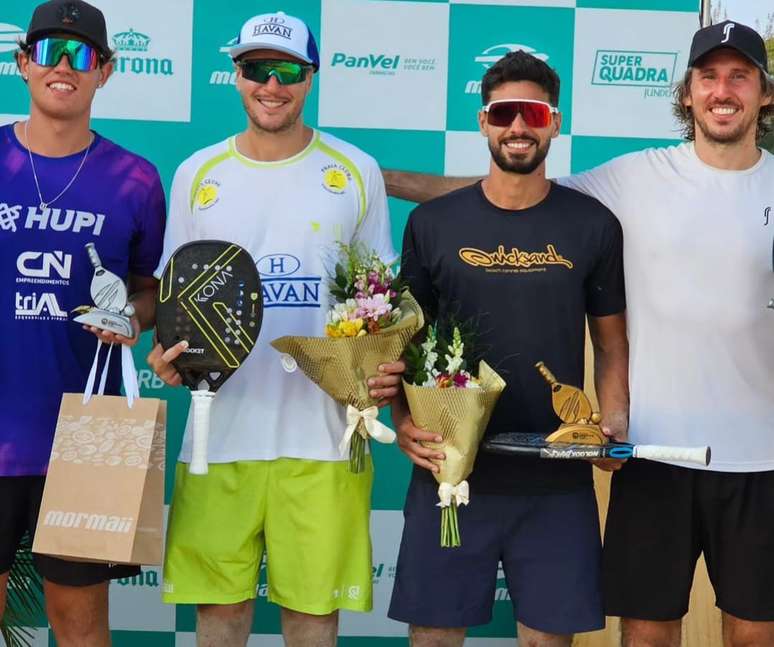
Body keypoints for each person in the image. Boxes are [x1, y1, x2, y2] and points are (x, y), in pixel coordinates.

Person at [385, 20, 774, 647]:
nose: (722, 90)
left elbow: (609, 338)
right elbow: (502, 197)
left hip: (739, 460)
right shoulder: (630, 179)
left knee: (752, 633)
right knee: (642, 632)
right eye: (709, 76)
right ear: (687, 92)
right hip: (610, 458)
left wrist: (609, 417)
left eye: (739, 76)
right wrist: (365, 177)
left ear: (764, 93)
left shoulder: (604, 213)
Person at [145, 12, 402, 647]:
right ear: (236, 77)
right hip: (219, 432)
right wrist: (166, 354)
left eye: (286, 70)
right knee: (219, 617)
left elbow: (380, 302)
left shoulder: (356, 170)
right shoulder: (197, 173)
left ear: (309, 79)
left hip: (323, 437)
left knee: (313, 620)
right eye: (257, 69)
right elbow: (175, 299)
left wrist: (380, 366)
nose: (271, 84)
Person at [387, 50, 629, 647]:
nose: (518, 127)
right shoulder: (433, 224)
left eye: (533, 113)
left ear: (554, 121)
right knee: (434, 637)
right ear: (483, 121)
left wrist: (613, 425)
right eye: (504, 114)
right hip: (452, 470)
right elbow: (401, 345)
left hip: (555, 480)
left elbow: (612, 345)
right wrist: (400, 422)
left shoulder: (593, 224)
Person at [0, 0, 166, 644]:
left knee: (79, 623)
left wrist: (131, 317)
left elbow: (150, 294)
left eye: (81, 55)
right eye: (48, 52)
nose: (63, 68)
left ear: (106, 70)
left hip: (85, 435)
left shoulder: (135, 179)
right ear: (22, 65)